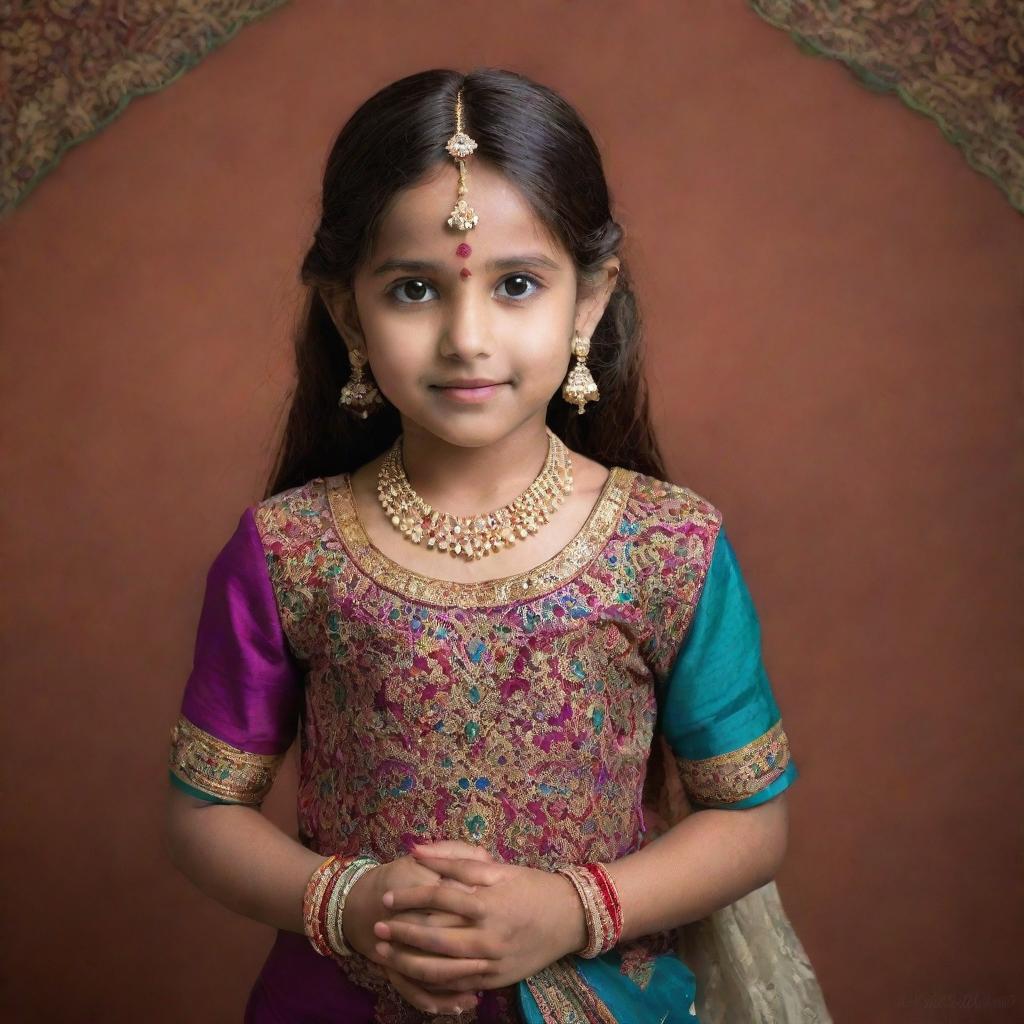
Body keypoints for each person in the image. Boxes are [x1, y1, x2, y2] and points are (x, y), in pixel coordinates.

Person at [164, 68, 832, 1023]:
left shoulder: (668, 546)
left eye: (517, 285)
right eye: (412, 290)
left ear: (591, 302)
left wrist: (572, 909)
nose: (466, 337)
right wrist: (353, 906)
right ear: (348, 312)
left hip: (607, 994)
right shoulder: (291, 551)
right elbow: (202, 815)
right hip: (342, 998)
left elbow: (750, 819)